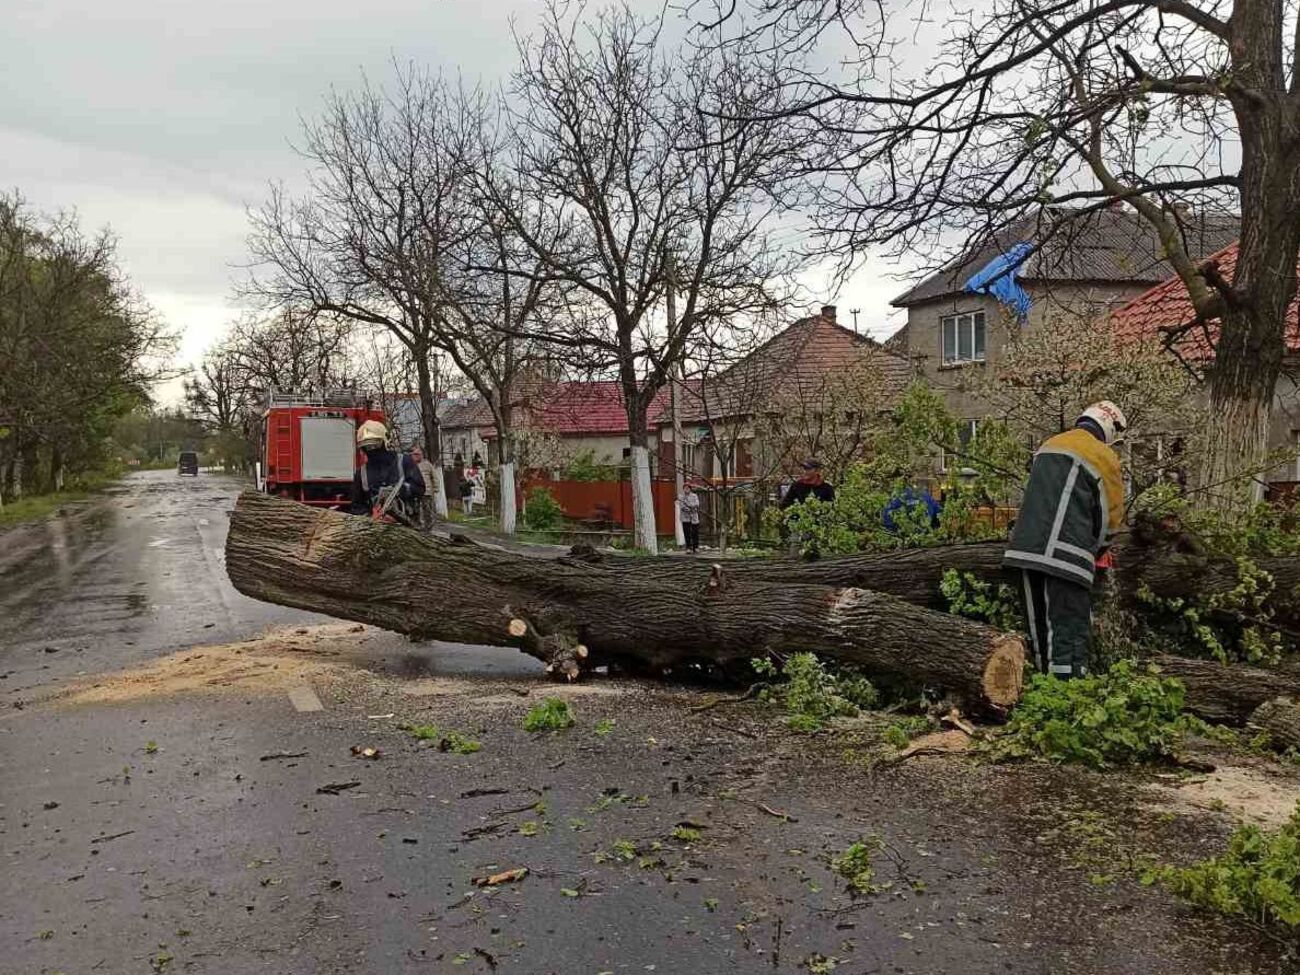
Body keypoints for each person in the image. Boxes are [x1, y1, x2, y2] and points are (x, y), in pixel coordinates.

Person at [1003, 401, 1126, 679]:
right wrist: (1098, 550)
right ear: (1110, 429)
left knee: (1039, 633)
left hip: (1023, 551)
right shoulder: (1103, 456)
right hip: (1068, 557)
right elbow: (1111, 517)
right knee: (1068, 636)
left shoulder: (1049, 445)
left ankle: (1038, 696)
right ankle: (1068, 697)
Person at [349, 420, 425, 521]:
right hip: (377, 528)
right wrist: (371, 517)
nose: (371, 450)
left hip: (408, 525)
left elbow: (420, 488)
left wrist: (403, 490)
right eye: (367, 446)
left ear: (385, 442)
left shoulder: (404, 462)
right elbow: (356, 506)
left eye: (375, 445)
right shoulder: (362, 474)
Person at [410, 445, 438, 529]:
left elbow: (434, 477)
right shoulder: (410, 465)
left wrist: (436, 489)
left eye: (418, 454)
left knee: (427, 511)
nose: (416, 456)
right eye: (414, 454)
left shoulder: (427, 465)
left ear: (422, 455)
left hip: (427, 492)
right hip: (414, 492)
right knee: (415, 510)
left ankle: (428, 527)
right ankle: (417, 525)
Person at [678, 483, 701, 553]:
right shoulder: (681, 497)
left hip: (694, 517)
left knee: (695, 532)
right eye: (685, 488)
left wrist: (689, 505)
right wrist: (690, 507)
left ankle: (696, 547)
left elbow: (697, 504)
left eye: (688, 488)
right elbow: (682, 506)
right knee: (687, 533)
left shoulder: (694, 496)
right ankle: (688, 547)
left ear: (690, 489)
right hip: (685, 517)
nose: (686, 489)